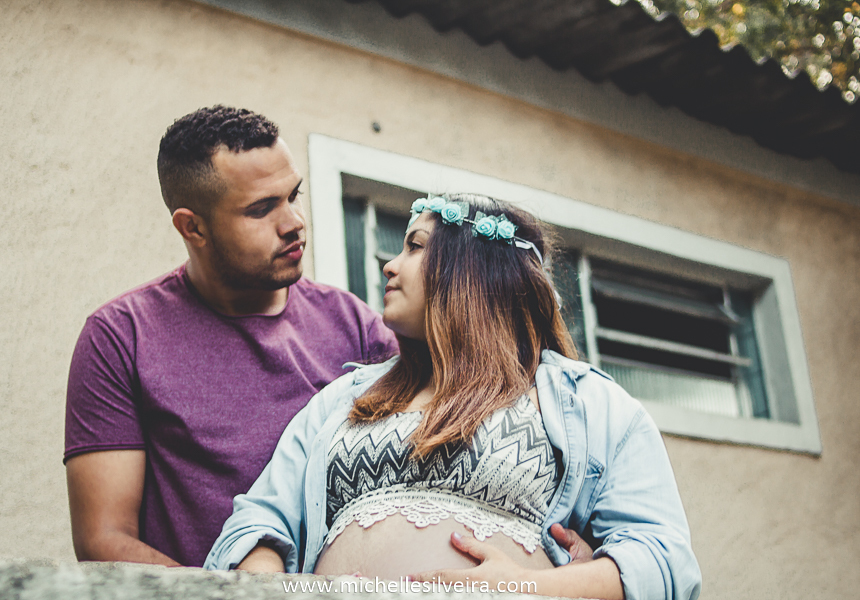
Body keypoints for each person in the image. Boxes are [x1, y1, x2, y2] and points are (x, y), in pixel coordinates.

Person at [204, 194, 702, 600]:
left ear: (473, 269)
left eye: (415, 246)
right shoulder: (343, 400)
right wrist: (270, 587)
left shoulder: (590, 403)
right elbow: (259, 518)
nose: (389, 266)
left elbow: (664, 561)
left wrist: (533, 586)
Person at [63, 106, 398, 567]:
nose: (294, 223)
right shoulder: (121, 337)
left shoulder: (356, 327)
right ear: (192, 227)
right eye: (261, 209)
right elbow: (104, 540)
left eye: (293, 196)